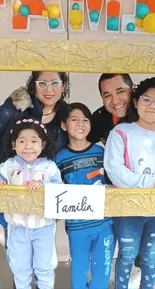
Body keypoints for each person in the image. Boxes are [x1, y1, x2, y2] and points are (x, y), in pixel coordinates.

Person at [0, 71, 69, 288]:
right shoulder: (9, 165)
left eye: (55, 83)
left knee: (44, 267)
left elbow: (59, 188)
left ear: (42, 145)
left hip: (43, 226)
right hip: (17, 225)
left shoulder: (48, 167)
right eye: (22, 141)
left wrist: (45, 186)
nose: (28, 146)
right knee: (19, 267)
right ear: (13, 145)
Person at [88, 73, 141, 289]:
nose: (115, 100)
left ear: (133, 88)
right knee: (120, 242)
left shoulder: (146, 111)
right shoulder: (100, 118)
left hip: (146, 190)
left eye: (120, 91)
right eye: (107, 95)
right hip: (113, 191)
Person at [56, 102, 116, 289]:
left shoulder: (102, 152)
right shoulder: (59, 158)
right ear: (64, 125)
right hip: (77, 228)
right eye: (74, 119)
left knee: (101, 278)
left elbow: (114, 182)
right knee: (78, 278)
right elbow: (55, 191)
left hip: (105, 225)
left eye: (85, 119)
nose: (80, 124)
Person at [104, 77, 155, 289]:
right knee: (127, 254)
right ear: (135, 102)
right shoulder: (120, 133)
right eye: (146, 100)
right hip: (127, 207)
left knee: (151, 257)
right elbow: (115, 170)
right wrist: (150, 183)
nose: (151, 106)